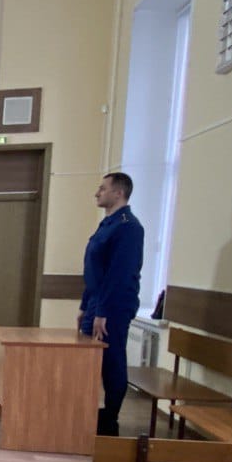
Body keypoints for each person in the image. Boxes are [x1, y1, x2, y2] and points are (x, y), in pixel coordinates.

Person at [78, 172, 144, 437]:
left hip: (113, 306)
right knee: (89, 361)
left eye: (103, 188)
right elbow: (94, 270)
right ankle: (87, 413)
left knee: (111, 361)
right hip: (97, 302)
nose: (97, 193)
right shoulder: (108, 224)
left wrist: (103, 311)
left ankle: (110, 419)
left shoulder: (128, 227)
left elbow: (119, 274)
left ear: (119, 193)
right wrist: (85, 305)